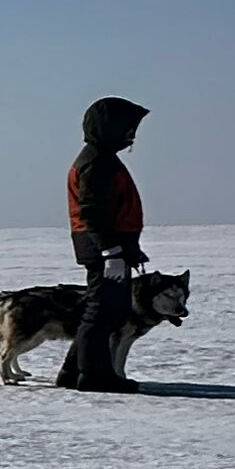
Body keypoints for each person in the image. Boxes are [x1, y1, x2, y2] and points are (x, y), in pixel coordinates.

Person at [55, 95, 150, 392]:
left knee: (106, 311)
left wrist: (127, 250)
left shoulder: (101, 159)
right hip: (102, 249)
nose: (131, 135)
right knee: (102, 312)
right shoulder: (96, 163)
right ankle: (93, 376)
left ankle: (75, 373)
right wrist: (111, 251)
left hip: (108, 249)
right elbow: (92, 213)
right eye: (127, 128)